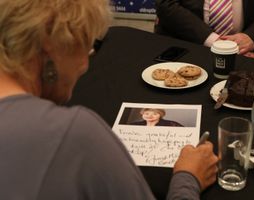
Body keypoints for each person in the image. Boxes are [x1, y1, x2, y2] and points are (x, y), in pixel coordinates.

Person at [0, 0, 218, 199]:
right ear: (51, 46)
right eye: (86, 46)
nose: (85, 64)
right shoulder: (72, 132)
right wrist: (188, 178)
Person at [155, 0, 254, 59]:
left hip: (247, 53)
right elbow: (166, 4)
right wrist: (214, 41)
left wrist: (252, 37)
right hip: (185, 48)